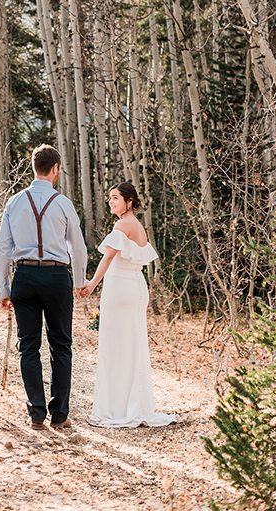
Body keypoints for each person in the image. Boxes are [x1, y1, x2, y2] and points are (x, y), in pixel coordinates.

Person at [0, 145, 88, 429]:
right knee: (61, 345)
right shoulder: (63, 203)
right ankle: (59, 414)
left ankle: (36, 413)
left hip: (23, 276)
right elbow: (79, 248)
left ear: (34, 167)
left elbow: (2, 249)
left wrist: (4, 289)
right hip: (57, 277)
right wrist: (81, 281)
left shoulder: (14, 202)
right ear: (56, 168)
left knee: (28, 346)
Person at [80, 182, 175, 428]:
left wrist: (91, 284)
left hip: (120, 290)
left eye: (115, 198)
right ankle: (132, 403)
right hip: (136, 288)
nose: (111, 202)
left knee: (114, 348)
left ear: (129, 201)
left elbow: (108, 257)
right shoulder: (139, 228)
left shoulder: (122, 225)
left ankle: (116, 408)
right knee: (132, 348)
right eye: (109, 198)